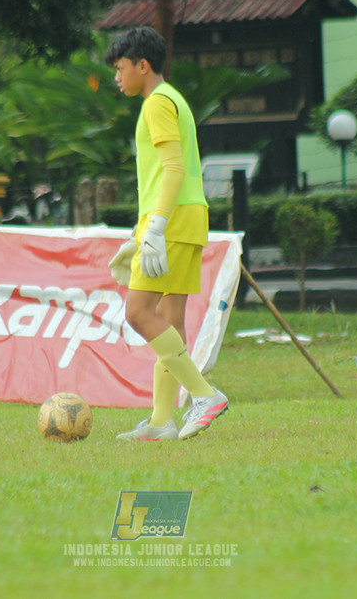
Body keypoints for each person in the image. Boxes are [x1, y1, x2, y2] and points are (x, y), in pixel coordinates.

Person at [104, 27, 229, 441]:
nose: (116, 77)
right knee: (171, 319)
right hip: (190, 217)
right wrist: (145, 229)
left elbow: (172, 169)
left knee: (138, 313)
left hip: (172, 221)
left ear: (143, 66)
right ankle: (161, 422)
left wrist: (155, 226)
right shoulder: (174, 98)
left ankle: (204, 395)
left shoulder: (156, 103)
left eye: (121, 68)